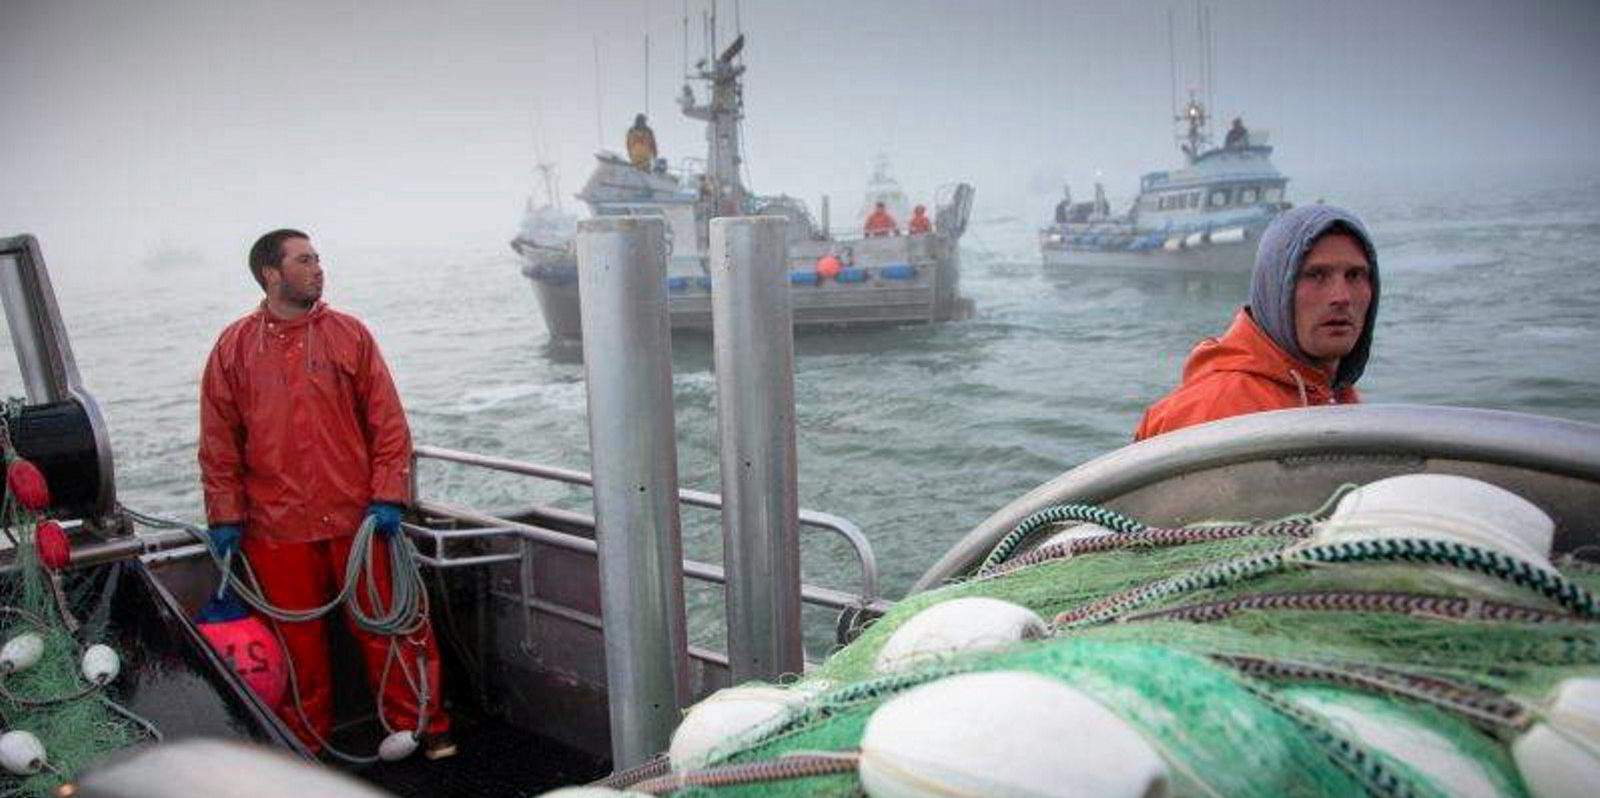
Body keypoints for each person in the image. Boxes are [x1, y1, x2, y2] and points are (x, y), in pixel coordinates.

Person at [199, 229, 454, 759]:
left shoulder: (349, 335)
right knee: (296, 650)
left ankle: (426, 726)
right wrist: (225, 516)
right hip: (275, 528)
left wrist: (388, 496)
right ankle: (302, 748)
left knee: (394, 631)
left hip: (357, 520)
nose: (319, 268)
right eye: (305, 260)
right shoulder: (233, 348)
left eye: (318, 259)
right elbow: (219, 440)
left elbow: (388, 424)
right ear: (272, 273)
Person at [1134, 205, 1379, 440]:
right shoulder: (1216, 411)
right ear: (1275, 287)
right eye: (1316, 275)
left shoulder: (1337, 396)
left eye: (1355, 275)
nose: (1341, 297)